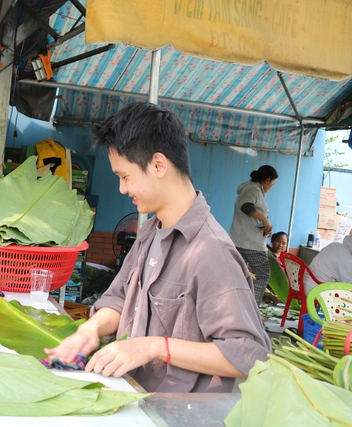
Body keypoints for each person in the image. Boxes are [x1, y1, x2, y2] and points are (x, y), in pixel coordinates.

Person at [44, 102, 271, 393]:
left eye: (125, 176)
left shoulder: (211, 252)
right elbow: (120, 299)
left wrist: (153, 347)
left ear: (158, 165)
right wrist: (91, 329)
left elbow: (250, 355)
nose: (122, 189)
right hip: (134, 398)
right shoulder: (151, 231)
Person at [229, 165, 278, 305]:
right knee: (263, 275)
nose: (271, 187)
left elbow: (251, 217)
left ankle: (237, 307)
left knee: (239, 275)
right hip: (250, 243)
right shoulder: (254, 189)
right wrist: (265, 219)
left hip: (239, 240)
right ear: (267, 180)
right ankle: (253, 310)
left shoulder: (250, 188)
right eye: (273, 184)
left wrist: (265, 226)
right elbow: (246, 206)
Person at [303, 232, 352, 296]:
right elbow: (349, 286)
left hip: (303, 283)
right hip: (315, 290)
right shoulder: (346, 259)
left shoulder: (334, 245)